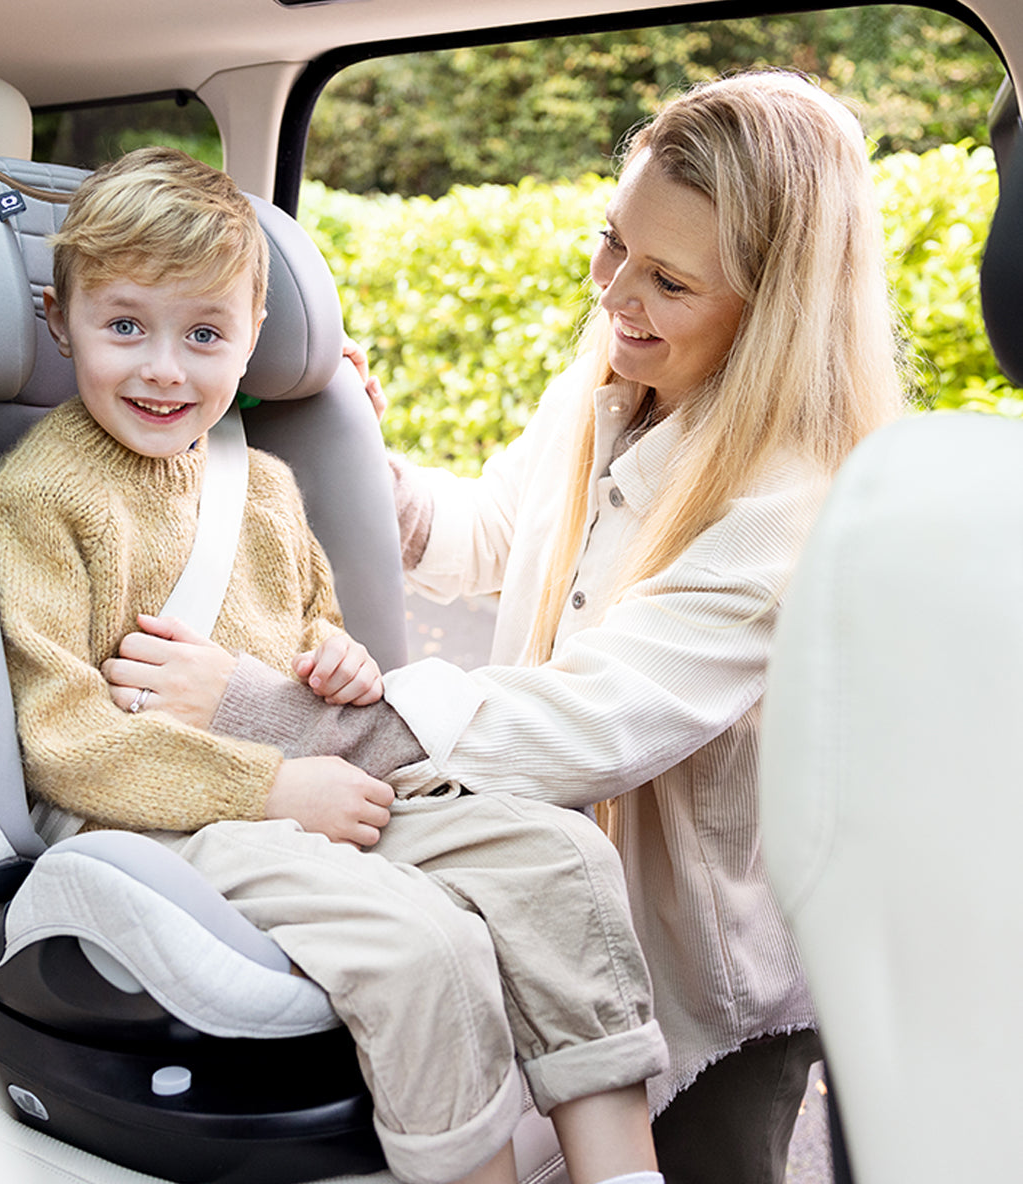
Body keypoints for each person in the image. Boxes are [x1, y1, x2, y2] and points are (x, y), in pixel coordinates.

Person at [111, 72, 909, 1184]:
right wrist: (359, 464)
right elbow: (486, 529)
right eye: (611, 243)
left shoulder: (791, 509)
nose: (614, 293)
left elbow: (582, 724)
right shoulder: (617, 378)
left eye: (668, 280)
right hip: (561, 921)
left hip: (700, 987)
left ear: (772, 309)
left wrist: (255, 708)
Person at [0, 145, 669, 1184]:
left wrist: (335, 664)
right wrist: (271, 786)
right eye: (124, 326)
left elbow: (306, 628)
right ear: (57, 322)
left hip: (305, 784)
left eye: (204, 334)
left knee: (560, 858)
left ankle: (621, 1172)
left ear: (254, 338)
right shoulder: (40, 499)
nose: (165, 367)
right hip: (160, 816)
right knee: (420, 944)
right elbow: (62, 738)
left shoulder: (255, 485)